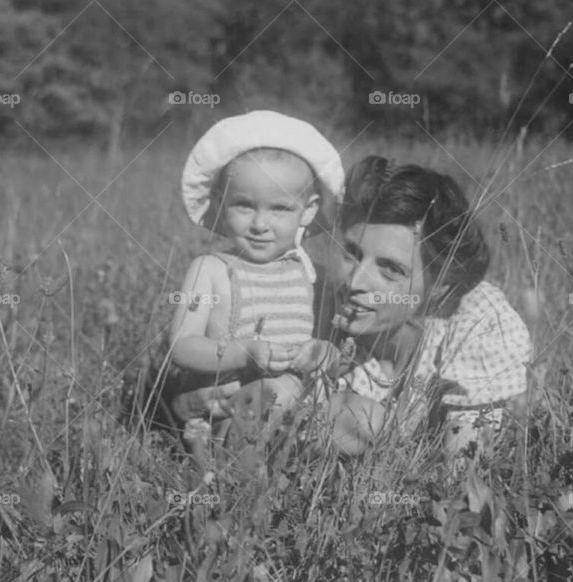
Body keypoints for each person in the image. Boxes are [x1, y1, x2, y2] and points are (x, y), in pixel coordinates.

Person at [322, 156, 534, 459]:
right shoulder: (316, 301)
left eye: (391, 269)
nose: (356, 281)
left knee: (364, 421)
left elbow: (463, 471)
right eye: (351, 253)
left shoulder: (476, 325)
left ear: (440, 284)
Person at [167, 110, 343, 460]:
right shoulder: (212, 270)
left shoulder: (312, 276)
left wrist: (323, 354)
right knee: (270, 395)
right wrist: (243, 352)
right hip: (225, 404)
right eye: (244, 205)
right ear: (221, 204)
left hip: (295, 406)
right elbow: (182, 345)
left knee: (309, 399)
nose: (260, 223)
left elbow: (331, 345)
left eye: (279, 208)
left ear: (307, 212)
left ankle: (292, 458)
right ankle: (236, 459)